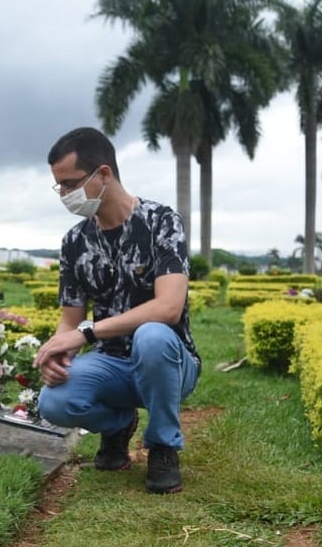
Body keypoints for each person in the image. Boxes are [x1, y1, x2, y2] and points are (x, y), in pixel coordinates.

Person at [32, 127, 201, 494]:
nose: (65, 195)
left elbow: (169, 308)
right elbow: (70, 319)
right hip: (111, 362)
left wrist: (88, 333)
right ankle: (118, 425)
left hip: (169, 363)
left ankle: (163, 446)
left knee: (152, 336)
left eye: (71, 183)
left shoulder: (161, 222)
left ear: (104, 174)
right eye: (59, 186)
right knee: (53, 401)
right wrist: (58, 351)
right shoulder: (75, 241)